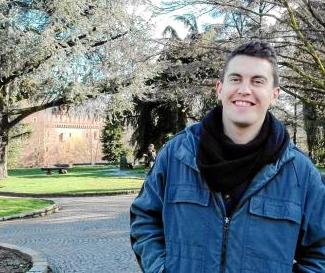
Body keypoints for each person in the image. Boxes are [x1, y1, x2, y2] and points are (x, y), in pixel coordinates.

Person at [130, 41, 325, 272]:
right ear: (219, 88)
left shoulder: (300, 173)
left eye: (257, 81)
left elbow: (320, 253)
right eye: (235, 79)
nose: (244, 89)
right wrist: (161, 269)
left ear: (274, 95)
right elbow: (145, 219)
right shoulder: (177, 155)